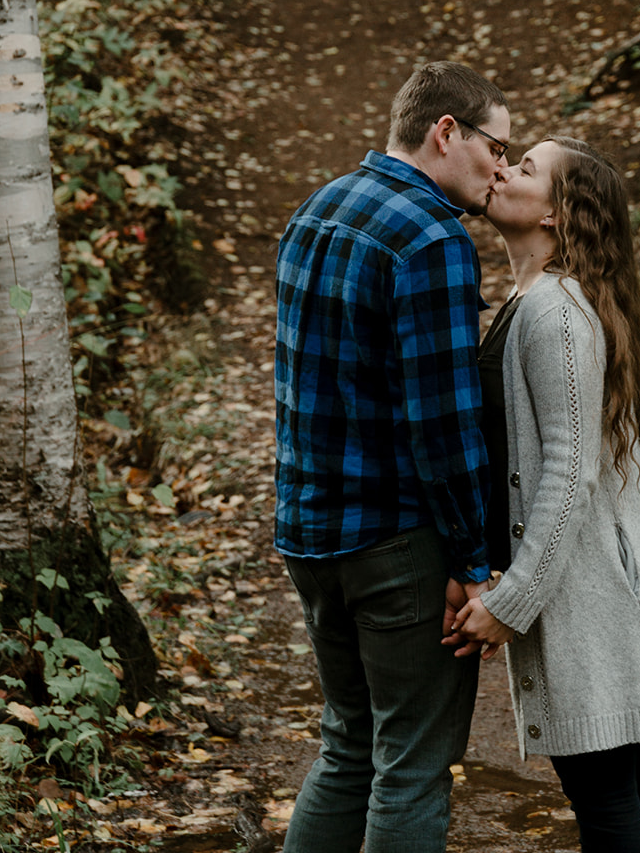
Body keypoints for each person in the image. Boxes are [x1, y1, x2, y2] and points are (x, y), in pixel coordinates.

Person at [448, 136, 640, 853]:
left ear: (557, 214)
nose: (504, 170)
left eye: (526, 168)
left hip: (595, 586)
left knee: (611, 789)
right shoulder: (531, 301)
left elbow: (567, 473)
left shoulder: (556, 314)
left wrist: (511, 602)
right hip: (591, 578)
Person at [274, 61, 510, 853]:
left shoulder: (320, 206)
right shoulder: (430, 237)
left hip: (308, 535)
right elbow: (440, 428)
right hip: (397, 547)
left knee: (346, 744)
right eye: (495, 146)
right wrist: (475, 563)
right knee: (411, 765)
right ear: (446, 132)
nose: (502, 168)